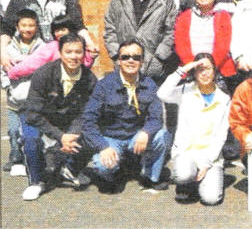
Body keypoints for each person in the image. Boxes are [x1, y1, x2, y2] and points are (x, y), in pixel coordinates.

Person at [82, 39, 169, 192]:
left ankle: (150, 177)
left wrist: (146, 132)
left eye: (136, 57)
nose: (131, 60)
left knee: (161, 135)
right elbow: (88, 121)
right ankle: (115, 172)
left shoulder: (149, 84)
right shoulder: (104, 85)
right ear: (119, 61)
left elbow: (157, 117)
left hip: (135, 136)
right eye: (125, 57)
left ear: (142, 61)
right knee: (104, 167)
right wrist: (103, 147)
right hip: (111, 137)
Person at [21, 33, 97, 200]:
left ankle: (70, 169)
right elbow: (32, 113)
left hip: (67, 119)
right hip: (38, 117)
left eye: (78, 52)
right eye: (68, 52)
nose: (74, 56)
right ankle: (36, 182)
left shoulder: (89, 78)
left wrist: (72, 135)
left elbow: (87, 112)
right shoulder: (43, 74)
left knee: (95, 131)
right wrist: (60, 136)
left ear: (84, 53)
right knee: (31, 140)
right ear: (60, 53)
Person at [157, 53, 230, 205]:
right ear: (194, 72)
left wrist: (207, 163)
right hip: (186, 152)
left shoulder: (224, 99)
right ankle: (186, 184)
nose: (204, 73)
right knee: (184, 174)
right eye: (199, 69)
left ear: (214, 70)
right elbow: (161, 94)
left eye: (208, 69)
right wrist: (184, 69)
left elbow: (221, 135)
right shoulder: (185, 91)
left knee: (211, 199)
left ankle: (204, 178)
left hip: (210, 156)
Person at [104, 0, 179, 82]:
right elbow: (110, 26)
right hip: (125, 64)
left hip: (153, 67)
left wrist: (160, 56)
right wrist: (117, 55)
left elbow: (172, 30)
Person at [173, 0, 236, 92]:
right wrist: (195, 69)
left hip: (219, 72)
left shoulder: (223, 16)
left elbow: (223, 46)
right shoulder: (184, 17)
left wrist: (209, 68)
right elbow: (181, 45)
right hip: (190, 71)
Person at [1, 9, 44, 176]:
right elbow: (3, 70)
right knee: (12, 130)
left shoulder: (42, 47)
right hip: (14, 101)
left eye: (31, 25)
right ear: (17, 27)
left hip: (33, 101)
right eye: (24, 25)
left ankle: (33, 158)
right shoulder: (9, 48)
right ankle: (16, 157)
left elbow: (44, 70)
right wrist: (8, 86)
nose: (27, 29)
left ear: (37, 26)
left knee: (31, 133)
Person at [7, 16, 97, 81]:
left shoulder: (79, 44)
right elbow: (34, 62)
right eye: (57, 31)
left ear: (70, 29)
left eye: (63, 30)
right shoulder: (53, 47)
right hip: (56, 86)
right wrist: (14, 72)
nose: (60, 33)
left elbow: (85, 64)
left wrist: (91, 56)